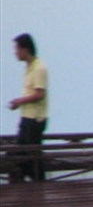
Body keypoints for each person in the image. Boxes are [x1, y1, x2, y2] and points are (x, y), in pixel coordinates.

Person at [8, 33, 48, 180]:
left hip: (34, 119)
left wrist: (20, 101)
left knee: (31, 156)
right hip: (26, 117)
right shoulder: (29, 68)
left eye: (17, 49)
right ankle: (29, 183)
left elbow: (40, 94)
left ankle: (39, 185)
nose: (15, 53)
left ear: (26, 49)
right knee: (20, 154)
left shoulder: (39, 68)